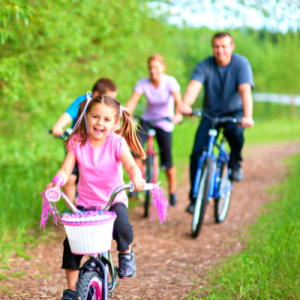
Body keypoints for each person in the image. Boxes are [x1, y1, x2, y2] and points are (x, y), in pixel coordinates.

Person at [44, 94, 146, 300]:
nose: (100, 123)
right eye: (95, 117)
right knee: (71, 244)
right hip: (85, 204)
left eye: (107, 119)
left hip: (111, 201)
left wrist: (136, 177)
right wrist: (57, 182)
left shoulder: (116, 142)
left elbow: (131, 165)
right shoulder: (77, 142)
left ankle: (125, 254)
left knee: (122, 225)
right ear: (86, 118)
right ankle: (72, 289)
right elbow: (65, 170)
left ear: (115, 124)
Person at [180, 32, 254, 214]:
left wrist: (248, 116)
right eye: (216, 47)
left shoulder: (241, 64)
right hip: (211, 114)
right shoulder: (205, 65)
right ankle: (195, 198)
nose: (220, 50)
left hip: (234, 112)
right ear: (212, 48)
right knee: (197, 152)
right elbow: (194, 87)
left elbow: (245, 91)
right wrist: (186, 105)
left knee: (235, 133)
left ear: (232, 47)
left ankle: (235, 163)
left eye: (224, 46)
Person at [126, 54, 183, 206]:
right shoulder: (143, 83)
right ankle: (136, 184)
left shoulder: (170, 82)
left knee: (167, 159)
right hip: (147, 119)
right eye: (150, 68)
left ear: (163, 68)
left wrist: (177, 115)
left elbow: (179, 102)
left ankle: (172, 191)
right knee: (136, 148)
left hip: (165, 121)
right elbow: (132, 102)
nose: (153, 71)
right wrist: (126, 115)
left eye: (156, 67)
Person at [52, 78, 118, 203]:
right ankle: (70, 207)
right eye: (109, 98)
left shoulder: (109, 109)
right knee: (70, 177)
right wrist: (59, 125)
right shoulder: (83, 102)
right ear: (97, 95)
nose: (111, 102)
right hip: (78, 146)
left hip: (97, 149)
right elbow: (69, 114)